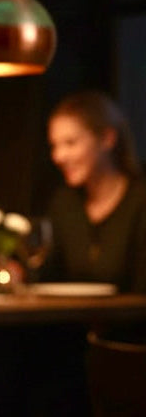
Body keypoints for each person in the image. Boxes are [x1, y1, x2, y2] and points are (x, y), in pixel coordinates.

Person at [39, 90, 146, 293]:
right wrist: (16, 272)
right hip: (71, 314)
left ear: (107, 138)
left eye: (70, 143)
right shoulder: (64, 204)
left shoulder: (140, 201)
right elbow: (45, 272)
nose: (58, 156)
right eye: (54, 145)